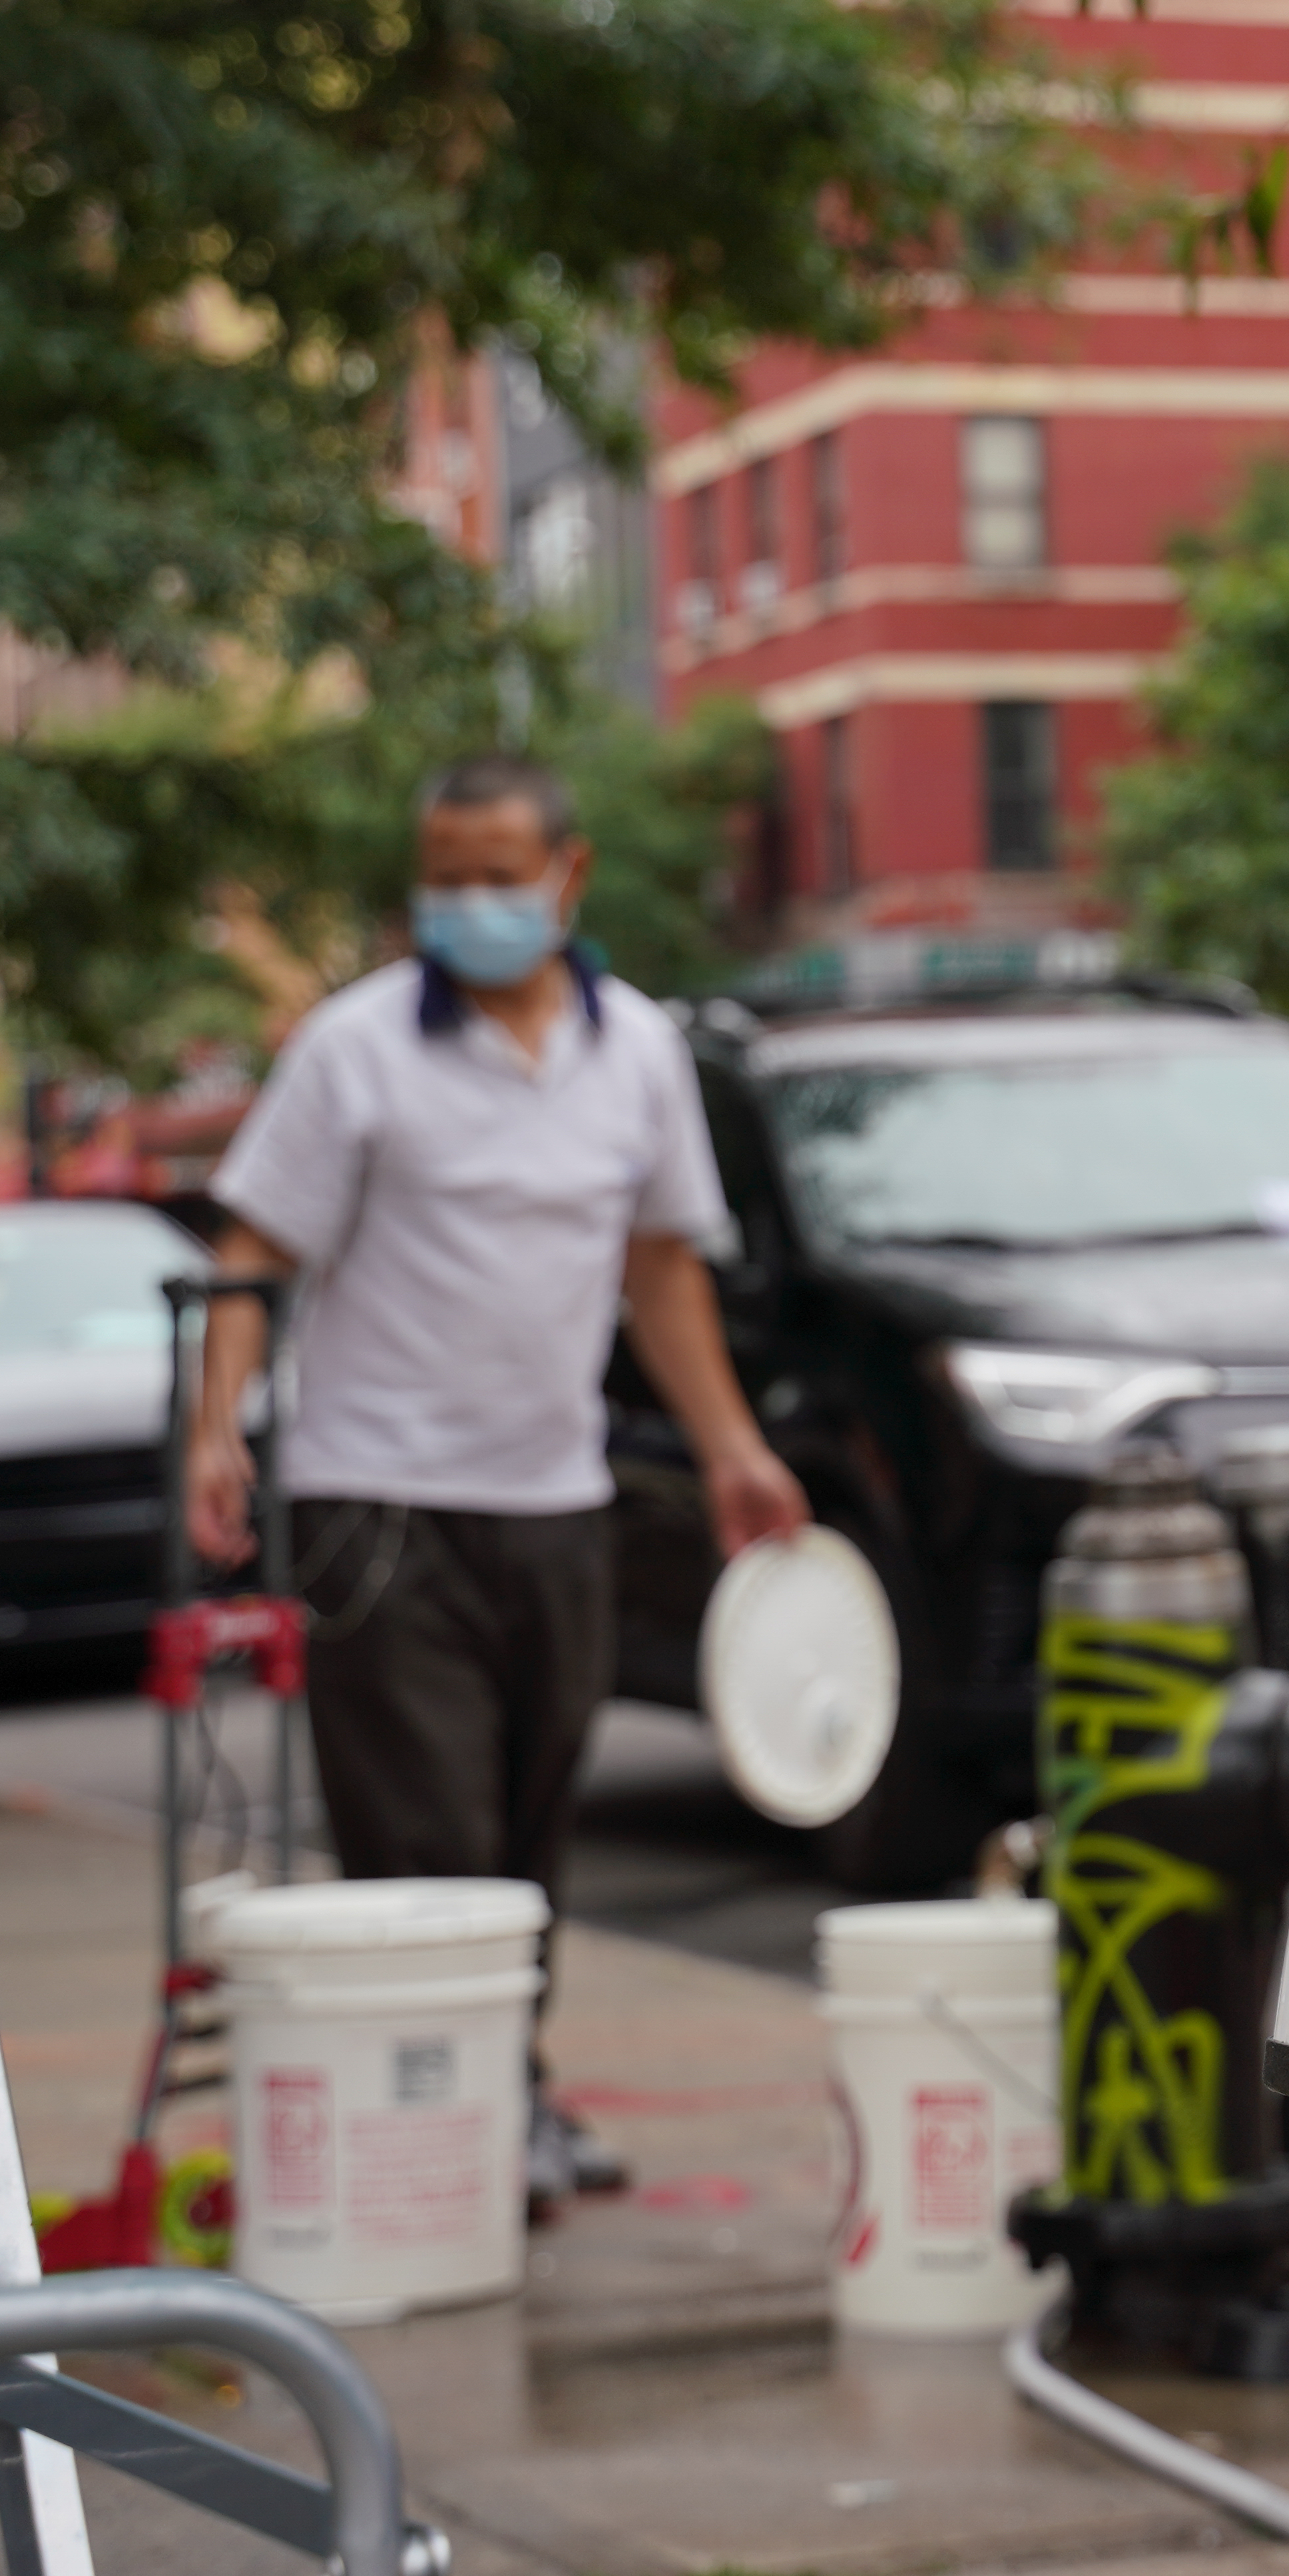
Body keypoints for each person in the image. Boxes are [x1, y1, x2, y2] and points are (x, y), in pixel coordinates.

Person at [186, 752, 809, 2212]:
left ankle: (500, 2091)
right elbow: (254, 1251)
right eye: (443, 876)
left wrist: (732, 1451)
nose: (467, 903)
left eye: (495, 875)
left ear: (565, 879)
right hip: (377, 1503)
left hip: (557, 1498)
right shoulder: (355, 1050)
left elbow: (660, 1269)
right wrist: (217, 1428)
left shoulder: (637, 1051)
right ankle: (449, 2126)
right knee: (428, 1837)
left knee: (530, 1835)